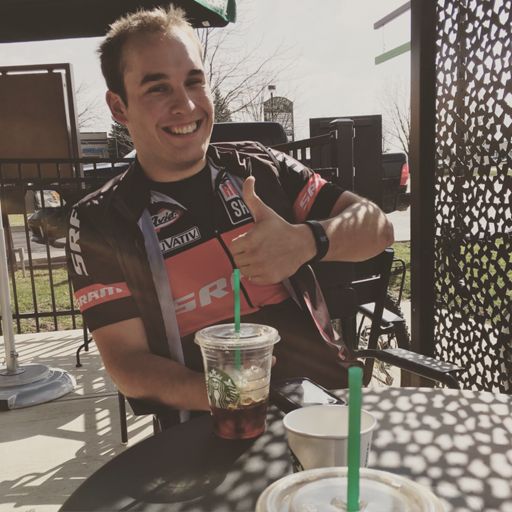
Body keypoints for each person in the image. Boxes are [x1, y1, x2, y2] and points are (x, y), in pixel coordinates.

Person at [67, 5, 394, 424]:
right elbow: (126, 363)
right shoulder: (98, 219)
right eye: (158, 88)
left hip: (327, 405)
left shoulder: (260, 166)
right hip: (207, 427)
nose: (186, 104)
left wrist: (306, 241)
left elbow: (377, 226)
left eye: (194, 81)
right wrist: (229, 394)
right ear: (118, 107)